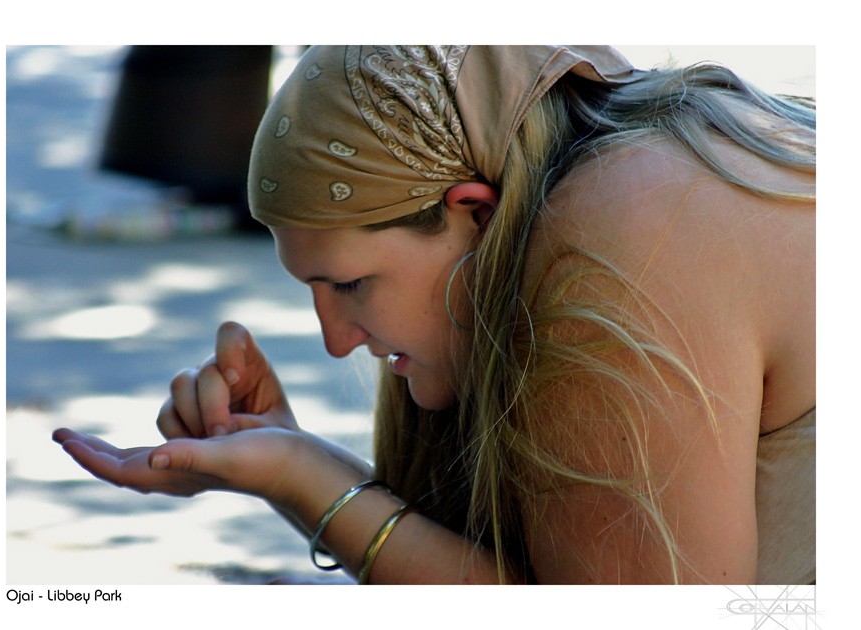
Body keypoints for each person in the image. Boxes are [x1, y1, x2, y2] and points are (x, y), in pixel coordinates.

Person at [53, 45, 815, 584]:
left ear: (472, 215)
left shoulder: (627, 233)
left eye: (350, 286)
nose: (333, 340)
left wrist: (306, 479)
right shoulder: (622, 179)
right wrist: (288, 461)